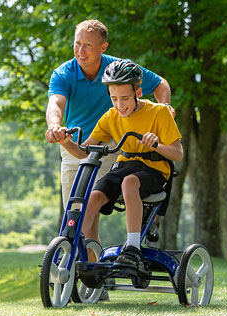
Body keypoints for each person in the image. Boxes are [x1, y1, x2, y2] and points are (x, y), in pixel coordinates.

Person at [45, 19, 174, 242]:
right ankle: (80, 265)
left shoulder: (118, 69)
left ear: (103, 47)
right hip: (77, 145)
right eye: (77, 44)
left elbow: (160, 84)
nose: (80, 51)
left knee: (93, 205)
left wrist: (164, 109)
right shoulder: (63, 73)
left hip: (113, 145)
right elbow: (55, 103)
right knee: (75, 213)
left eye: (88, 45)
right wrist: (55, 127)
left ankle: (138, 231)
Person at [59, 59, 183, 270]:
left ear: (139, 92)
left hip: (155, 170)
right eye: (114, 98)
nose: (119, 105)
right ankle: (72, 245)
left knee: (129, 182)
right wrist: (65, 142)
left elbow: (177, 154)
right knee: (95, 195)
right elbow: (83, 152)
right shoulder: (110, 117)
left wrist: (156, 145)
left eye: (125, 98)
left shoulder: (159, 112)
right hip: (125, 165)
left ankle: (132, 247)